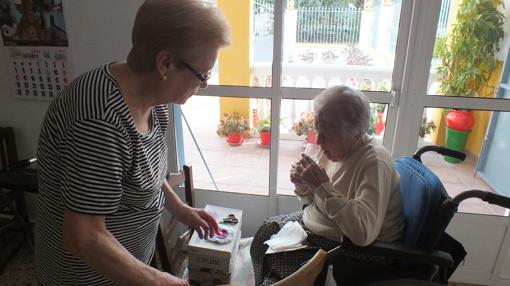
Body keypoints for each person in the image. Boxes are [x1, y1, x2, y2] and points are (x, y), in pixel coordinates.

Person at [35, 1, 230, 285]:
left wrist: (179, 209)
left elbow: (145, 173)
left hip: (127, 267)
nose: (205, 84)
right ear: (165, 63)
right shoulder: (99, 119)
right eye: (203, 74)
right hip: (85, 278)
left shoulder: (155, 100)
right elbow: (84, 237)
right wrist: (162, 281)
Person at [250, 86, 404, 286]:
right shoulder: (335, 149)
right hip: (322, 229)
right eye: (318, 132)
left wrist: (321, 186)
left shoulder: (373, 162)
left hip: (356, 251)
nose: (320, 142)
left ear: (355, 132)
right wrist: (304, 185)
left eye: (327, 135)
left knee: (276, 263)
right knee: (266, 230)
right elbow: (314, 200)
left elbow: (362, 234)